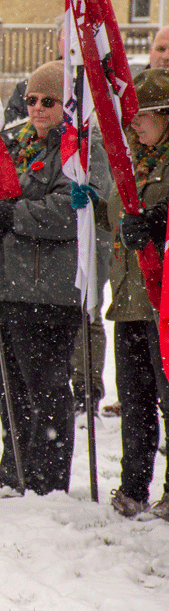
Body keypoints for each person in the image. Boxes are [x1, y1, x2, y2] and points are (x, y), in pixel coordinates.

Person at [0, 61, 108, 495]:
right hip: (3, 284)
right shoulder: (14, 144)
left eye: (49, 101)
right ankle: (16, 471)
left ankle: (47, 480)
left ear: (68, 105)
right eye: (31, 100)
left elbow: (71, 212)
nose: (38, 108)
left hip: (49, 290)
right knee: (7, 389)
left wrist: (8, 212)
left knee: (44, 388)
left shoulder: (82, 150)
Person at [102, 68, 169, 521]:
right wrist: (93, 207)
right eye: (131, 118)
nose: (135, 125)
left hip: (163, 300)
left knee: (168, 399)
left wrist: (155, 220)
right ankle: (133, 487)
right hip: (129, 296)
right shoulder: (131, 162)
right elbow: (116, 220)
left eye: (143, 116)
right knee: (136, 400)